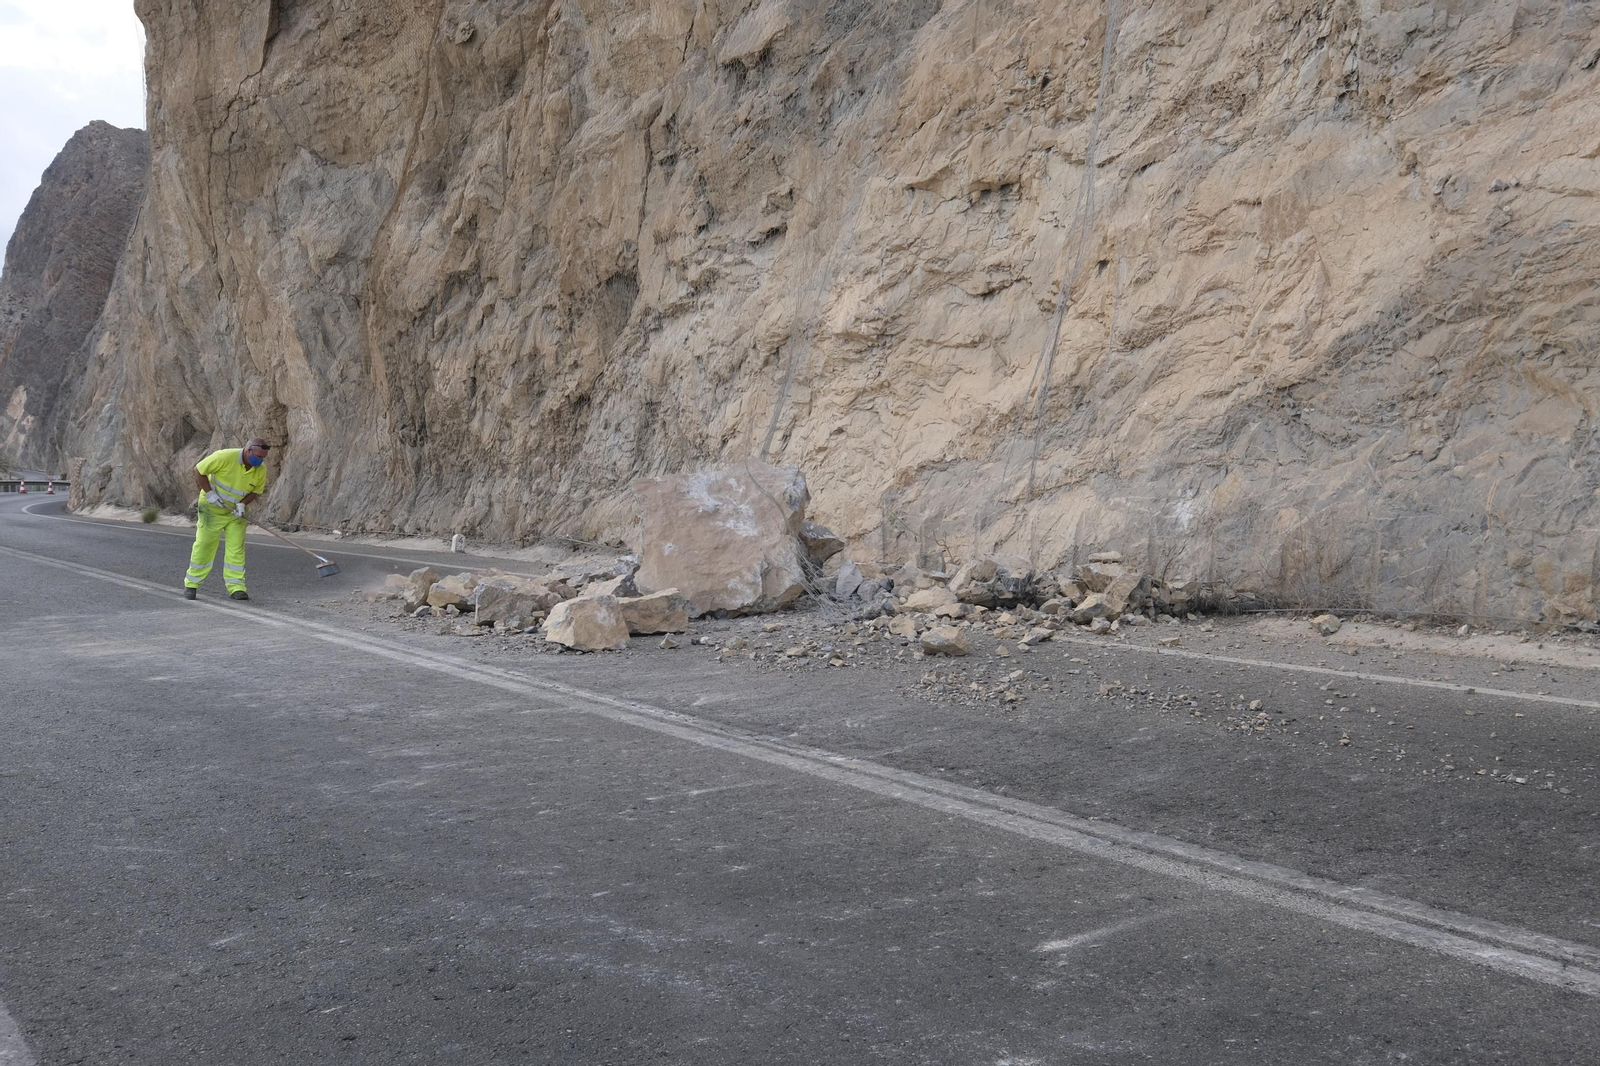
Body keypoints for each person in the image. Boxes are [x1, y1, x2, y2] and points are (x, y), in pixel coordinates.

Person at [183, 439, 271, 601]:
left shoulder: (260, 469)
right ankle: (192, 584)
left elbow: (256, 491)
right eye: (258, 456)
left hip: (235, 514)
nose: (260, 461)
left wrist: (242, 504)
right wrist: (210, 493)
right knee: (205, 545)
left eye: (263, 458)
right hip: (212, 509)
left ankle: (237, 587)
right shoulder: (224, 457)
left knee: (236, 549)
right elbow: (198, 470)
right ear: (248, 450)